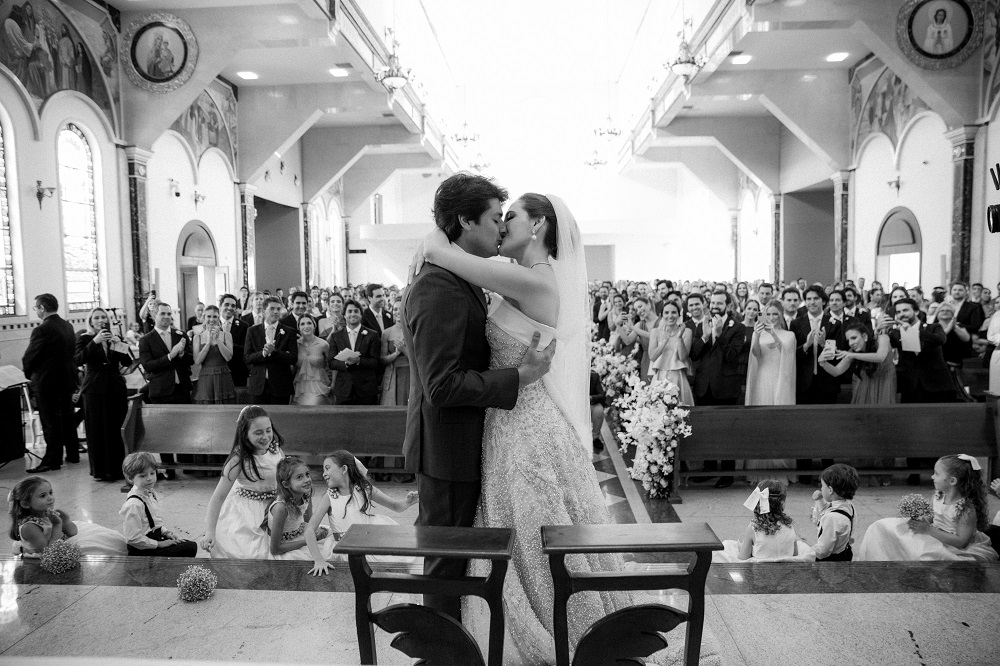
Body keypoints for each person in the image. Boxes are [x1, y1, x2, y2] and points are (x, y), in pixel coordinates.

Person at [414, 188, 659, 662]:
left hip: (526, 428)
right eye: (497, 217)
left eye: (510, 216)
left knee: (532, 531)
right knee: (515, 529)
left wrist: (435, 238)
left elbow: (441, 252)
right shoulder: (520, 277)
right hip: (505, 422)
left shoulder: (535, 280)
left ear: (539, 226)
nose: (502, 225)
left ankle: (557, 628)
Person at [401, 174, 547, 621]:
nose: (501, 227)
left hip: (461, 441)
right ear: (465, 221)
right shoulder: (439, 287)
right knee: (446, 560)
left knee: (459, 556)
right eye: (494, 217)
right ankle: (439, 647)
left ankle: (455, 640)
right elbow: (441, 385)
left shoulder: (455, 276)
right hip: (447, 448)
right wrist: (519, 376)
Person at [858, 455, 997, 562]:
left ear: (952, 481)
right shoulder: (938, 496)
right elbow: (932, 517)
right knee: (882, 526)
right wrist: (921, 519)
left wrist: (928, 530)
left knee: (923, 555)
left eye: (936, 473)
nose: (932, 476)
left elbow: (961, 542)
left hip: (954, 548)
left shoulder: (965, 509)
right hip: (933, 534)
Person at [305, 450, 418, 575]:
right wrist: (318, 560)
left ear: (344, 469)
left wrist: (408, 502)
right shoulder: (329, 497)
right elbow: (310, 529)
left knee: (391, 567)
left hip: (368, 542)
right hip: (344, 547)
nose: (324, 474)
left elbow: (396, 506)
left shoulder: (365, 489)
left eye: (327, 468)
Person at [201, 405, 284, 559]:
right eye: (258, 432)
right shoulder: (238, 459)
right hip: (246, 512)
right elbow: (218, 497)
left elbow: (283, 480)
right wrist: (210, 531)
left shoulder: (276, 450)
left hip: (275, 508)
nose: (265, 436)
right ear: (245, 434)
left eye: (268, 430)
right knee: (250, 552)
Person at [690, 292, 746, 487]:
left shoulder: (737, 327)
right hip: (704, 385)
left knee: (727, 432)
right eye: (712, 302)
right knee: (706, 430)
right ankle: (709, 469)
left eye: (719, 303)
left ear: (728, 306)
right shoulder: (702, 324)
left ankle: (727, 473)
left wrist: (720, 334)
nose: (714, 306)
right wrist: (705, 336)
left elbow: (732, 356)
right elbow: (694, 354)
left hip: (725, 387)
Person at [23, 293, 77, 473]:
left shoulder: (42, 329)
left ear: (42, 308)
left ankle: (52, 461)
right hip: (67, 379)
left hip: (47, 383)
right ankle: (73, 454)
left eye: (36, 308)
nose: (36, 311)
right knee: (67, 419)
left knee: (50, 422)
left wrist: (29, 374)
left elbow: (30, 357)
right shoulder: (67, 325)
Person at [75, 307, 132, 482]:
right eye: (97, 318)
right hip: (95, 389)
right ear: (91, 321)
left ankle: (118, 469)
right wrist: (95, 342)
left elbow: (127, 362)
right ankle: (100, 470)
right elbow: (78, 359)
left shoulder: (114, 337)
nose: (101, 320)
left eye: (103, 317)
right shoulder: (85, 338)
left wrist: (119, 344)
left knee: (116, 428)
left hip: (115, 387)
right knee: (97, 429)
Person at [9, 476, 126, 557]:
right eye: (43, 496)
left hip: (59, 545)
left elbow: (73, 532)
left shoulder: (47, 514)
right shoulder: (29, 527)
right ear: (25, 504)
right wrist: (57, 525)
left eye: (50, 493)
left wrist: (65, 520)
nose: (50, 498)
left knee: (108, 540)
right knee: (99, 551)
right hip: (45, 559)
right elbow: (49, 553)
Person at [119, 452, 197, 557]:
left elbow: (153, 522)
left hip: (153, 540)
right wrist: (159, 544)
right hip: (142, 550)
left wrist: (166, 533)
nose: (149, 478)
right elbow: (133, 538)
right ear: (130, 478)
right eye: (143, 476)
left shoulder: (150, 493)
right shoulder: (134, 504)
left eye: (152, 473)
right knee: (189, 548)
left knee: (188, 545)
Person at [715, 481, 811, 562]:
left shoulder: (754, 527)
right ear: (782, 503)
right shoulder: (789, 525)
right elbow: (795, 555)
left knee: (726, 546)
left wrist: (742, 547)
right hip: (785, 571)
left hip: (759, 572)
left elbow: (743, 558)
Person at [266, 456, 331, 560]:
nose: (307, 480)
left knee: (333, 541)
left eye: (307, 474)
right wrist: (307, 541)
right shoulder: (281, 508)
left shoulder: (306, 494)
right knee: (320, 557)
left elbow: (309, 522)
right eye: (299, 477)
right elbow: (275, 549)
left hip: (300, 533)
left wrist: (315, 532)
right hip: (285, 546)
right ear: (286, 484)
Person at [244, 296, 297, 405]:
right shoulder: (252, 331)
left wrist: (275, 352)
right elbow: (247, 358)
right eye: (272, 309)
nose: (276, 312)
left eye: (278, 309)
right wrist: (263, 353)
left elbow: (293, 358)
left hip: (280, 385)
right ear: (264, 311)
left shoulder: (289, 332)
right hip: (258, 385)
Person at [328, 300, 382, 404]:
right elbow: (331, 362)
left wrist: (358, 361)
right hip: (344, 389)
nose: (353, 314)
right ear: (344, 315)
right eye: (349, 311)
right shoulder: (336, 336)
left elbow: (375, 362)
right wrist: (345, 363)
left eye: (356, 311)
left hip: (366, 389)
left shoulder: (372, 335)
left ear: (361, 314)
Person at [810, 464, 860, 562]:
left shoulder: (831, 518)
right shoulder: (849, 506)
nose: (821, 489)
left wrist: (806, 552)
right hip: (845, 551)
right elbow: (828, 510)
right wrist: (820, 499)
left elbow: (823, 551)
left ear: (830, 490)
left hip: (831, 561)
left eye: (822, 486)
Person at [647, 300, 693, 405]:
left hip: (678, 376)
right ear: (661, 315)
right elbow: (652, 356)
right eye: (666, 312)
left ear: (679, 315)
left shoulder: (687, 331)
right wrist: (664, 341)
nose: (670, 316)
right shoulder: (655, 332)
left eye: (674, 312)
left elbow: (683, 357)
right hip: (660, 376)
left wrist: (679, 337)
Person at [192, 305, 236, 405]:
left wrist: (217, 340)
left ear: (218, 317)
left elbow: (228, 357)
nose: (212, 320)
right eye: (209, 316)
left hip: (223, 376)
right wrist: (208, 343)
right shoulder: (197, 337)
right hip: (206, 377)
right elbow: (197, 361)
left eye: (215, 316)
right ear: (204, 317)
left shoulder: (226, 335)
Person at [292, 315, 331, 405]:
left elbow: (331, 366)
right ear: (299, 328)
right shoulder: (295, 345)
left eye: (309, 323)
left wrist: (332, 384)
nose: (306, 326)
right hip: (300, 387)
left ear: (314, 326)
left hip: (320, 386)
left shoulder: (323, 344)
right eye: (302, 324)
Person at [379, 299, 409, 406]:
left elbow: (418, 359)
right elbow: (382, 359)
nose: (397, 312)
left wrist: (404, 349)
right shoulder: (386, 333)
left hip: (409, 373)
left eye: (400, 309)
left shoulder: (413, 331)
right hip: (392, 373)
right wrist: (396, 353)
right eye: (395, 309)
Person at [218, 293, 250, 390]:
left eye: (233, 306)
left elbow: (245, 350)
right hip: (216, 371)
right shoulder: (213, 324)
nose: (230, 308)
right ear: (220, 306)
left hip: (237, 371)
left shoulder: (244, 326)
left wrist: (227, 344)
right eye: (226, 304)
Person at [589, 371, 606, 452]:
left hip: (590, 403)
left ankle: (595, 437)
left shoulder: (594, 376)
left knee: (599, 410)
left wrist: (591, 398)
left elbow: (601, 395)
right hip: (575, 404)